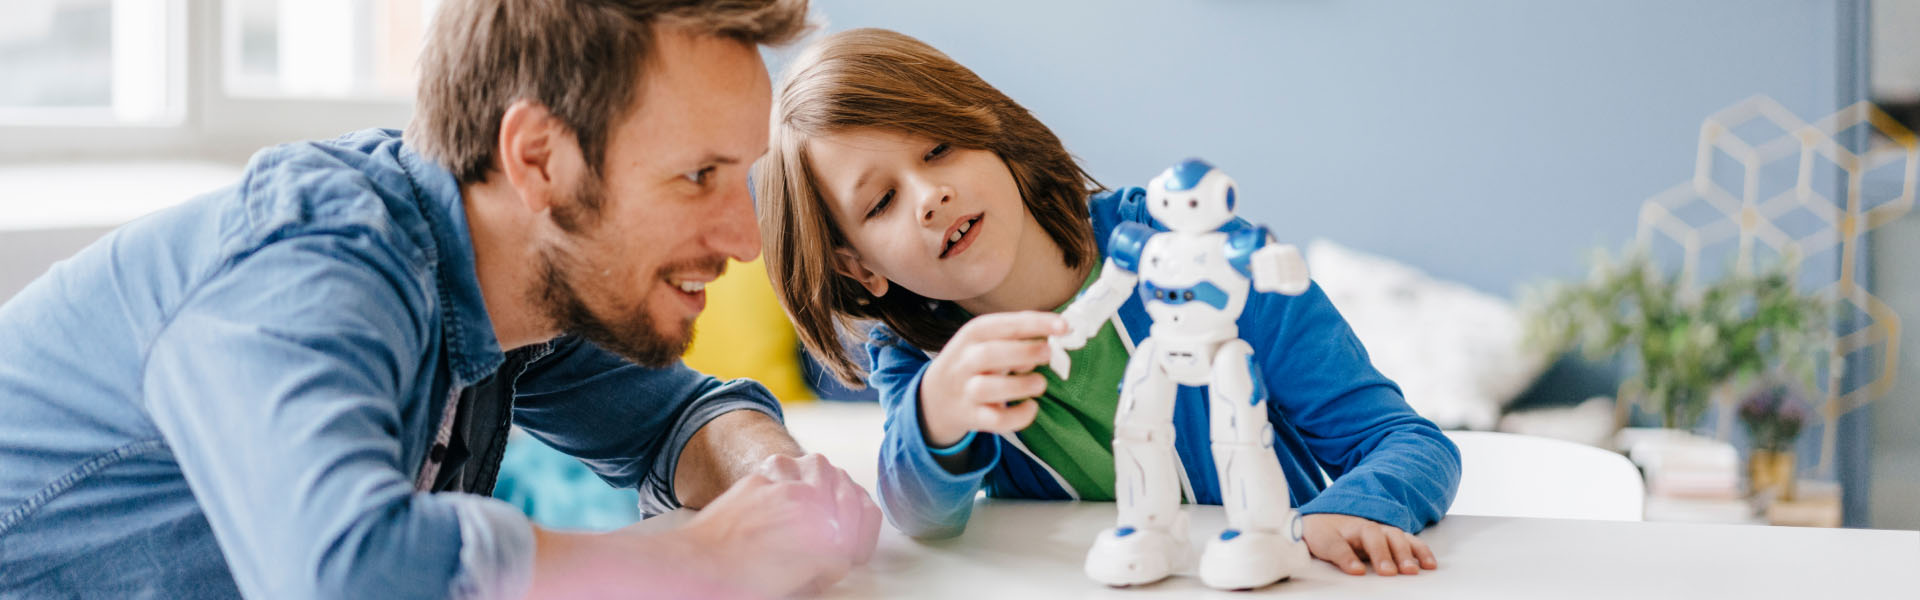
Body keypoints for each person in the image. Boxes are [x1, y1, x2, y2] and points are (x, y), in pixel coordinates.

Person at [0, 1, 880, 598]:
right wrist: (703, 554)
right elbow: (347, 570)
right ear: (537, 157)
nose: (745, 238)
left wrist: (778, 483)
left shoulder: (518, 281)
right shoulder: (315, 265)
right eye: (699, 177)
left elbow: (676, 418)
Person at [754, 27, 1460, 583]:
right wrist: (934, 417)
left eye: (940, 148)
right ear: (859, 267)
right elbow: (922, 516)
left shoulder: (1209, 259)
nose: (928, 195)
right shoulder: (920, 361)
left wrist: (1349, 509)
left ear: (991, 132)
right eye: (880, 201)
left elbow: (1408, 442)